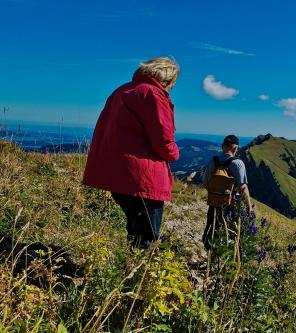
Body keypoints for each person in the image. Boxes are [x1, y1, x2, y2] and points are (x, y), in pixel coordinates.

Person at [82, 57, 180, 249]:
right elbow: (164, 141)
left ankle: (128, 270)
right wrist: (175, 153)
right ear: (167, 80)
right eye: (171, 85)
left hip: (117, 175)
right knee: (147, 238)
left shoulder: (121, 91)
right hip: (142, 178)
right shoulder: (153, 94)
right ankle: (137, 276)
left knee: (135, 230)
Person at [202, 135, 253, 250]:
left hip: (213, 204)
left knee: (212, 229)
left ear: (222, 146)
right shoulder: (237, 163)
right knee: (230, 234)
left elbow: (205, 183)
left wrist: (216, 193)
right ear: (235, 149)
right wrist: (249, 207)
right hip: (231, 206)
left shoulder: (213, 161)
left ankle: (210, 257)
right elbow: (242, 187)